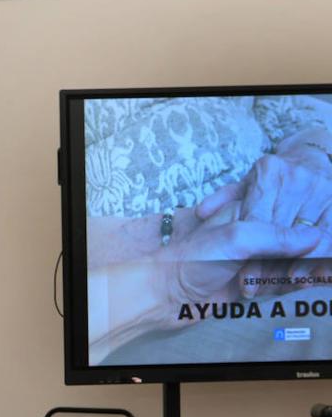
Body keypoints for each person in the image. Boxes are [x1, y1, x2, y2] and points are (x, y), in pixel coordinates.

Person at [82, 95, 332, 363]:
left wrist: (311, 162)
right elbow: (57, 255)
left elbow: (291, 109)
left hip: (275, 239)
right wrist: (181, 241)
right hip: (153, 297)